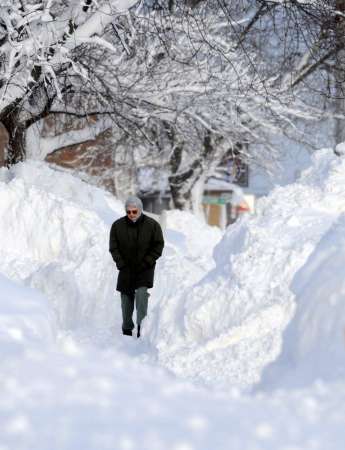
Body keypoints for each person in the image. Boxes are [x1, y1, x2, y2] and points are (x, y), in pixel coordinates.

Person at [109, 196, 164, 338]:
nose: (131, 215)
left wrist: (148, 261)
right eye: (128, 212)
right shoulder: (117, 226)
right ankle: (127, 328)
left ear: (140, 210)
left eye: (134, 211)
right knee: (126, 298)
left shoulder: (152, 225)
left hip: (145, 268)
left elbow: (158, 245)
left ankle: (142, 327)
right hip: (126, 268)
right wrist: (120, 263)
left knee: (141, 295)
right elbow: (113, 247)